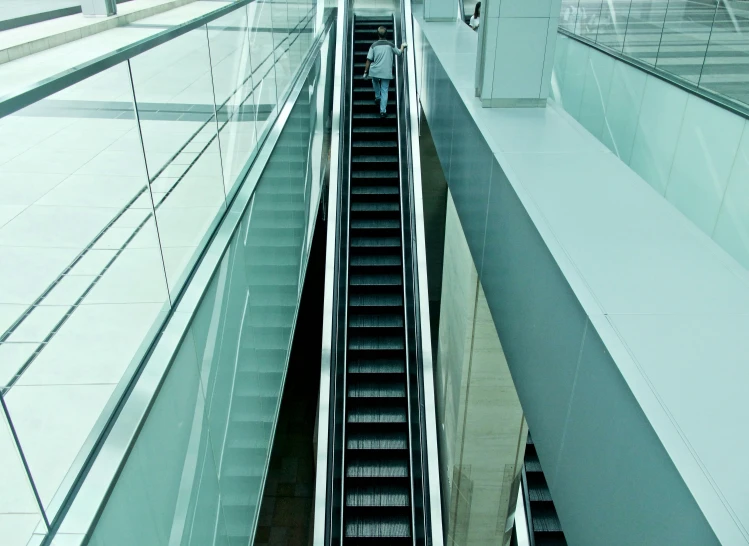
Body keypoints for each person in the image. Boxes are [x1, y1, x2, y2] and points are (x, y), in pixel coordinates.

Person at [363, 27, 407, 118]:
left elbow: (368, 60)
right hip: (386, 72)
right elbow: (399, 53)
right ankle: (383, 111)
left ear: (378, 34)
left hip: (375, 71)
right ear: (386, 34)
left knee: (374, 81)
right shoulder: (390, 45)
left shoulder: (373, 45)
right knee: (385, 90)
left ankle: (377, 97)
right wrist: (402, 46)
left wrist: (365, 72)